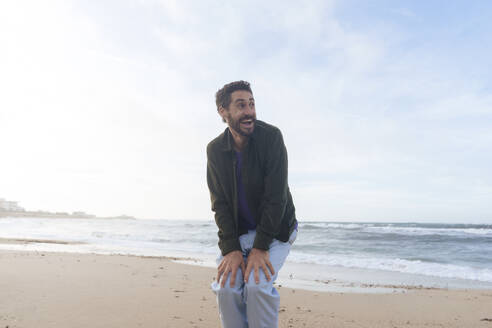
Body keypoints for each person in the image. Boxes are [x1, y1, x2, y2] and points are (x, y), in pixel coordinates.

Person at [207, 80, 298, 328]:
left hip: (276, 231)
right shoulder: (215, 150)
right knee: (226, 288)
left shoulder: (271, 138)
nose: (249, 112)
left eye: (252, 104)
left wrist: (260, 248)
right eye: (241, 105)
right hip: (240, 234)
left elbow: (275, 198)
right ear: (223, 112)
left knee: (257, 287)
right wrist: (231, 248)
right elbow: (220, 204)